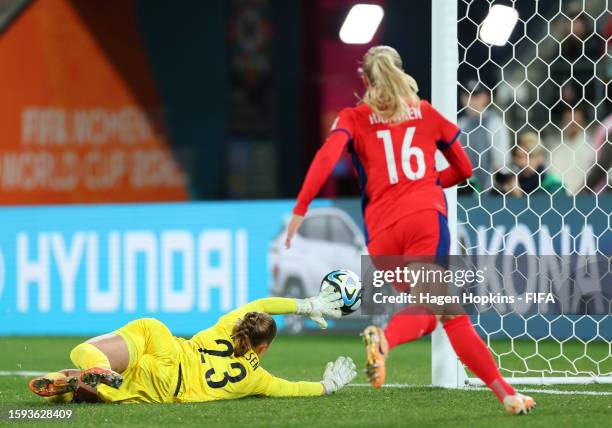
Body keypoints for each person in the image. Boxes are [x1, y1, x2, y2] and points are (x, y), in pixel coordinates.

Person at [284, 46, 535, 415]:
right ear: (401, 72)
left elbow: (326, 157)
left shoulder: (353, 118)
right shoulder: (427, 113)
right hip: (423, 221)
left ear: (365, 80)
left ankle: (507, 395)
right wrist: (430, 181)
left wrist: (300, 209)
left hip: (381, 235)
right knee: (436, 308)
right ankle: (385, 340)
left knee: (448, 311)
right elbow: (465, 171)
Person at [28, 289, 357, 403]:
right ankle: (76, 387)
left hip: (167, 351)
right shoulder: (257, 379)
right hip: (169, 388)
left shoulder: (229, 326)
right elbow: (292, 388)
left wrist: (305, 304)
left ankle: (91, 367)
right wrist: (326, 386)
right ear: (264, 348)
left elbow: (261, 303)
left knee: (105, 348)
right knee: (114, 390)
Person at [458, 81, 510, 192]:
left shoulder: (495, 123)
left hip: (492, 192)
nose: (471, 100)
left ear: (486, 97)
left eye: (476, 95)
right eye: (468, 95)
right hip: (465, 191)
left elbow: (501, 163)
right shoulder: (460, 124)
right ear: (462, 98)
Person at [546, 107, 595, 195]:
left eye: (576, 120)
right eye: (568, 120)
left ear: (583, 122)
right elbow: (551, 173)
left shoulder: (591, 148)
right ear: (562, 122)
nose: (572, 123)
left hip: (585, 197)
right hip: (559, 197)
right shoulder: (555, 147)